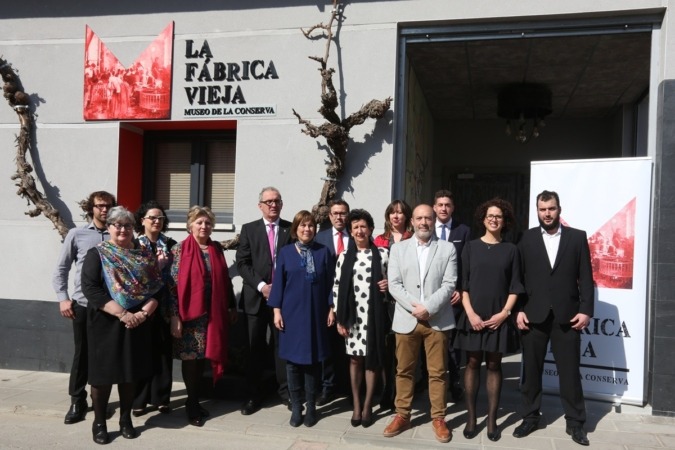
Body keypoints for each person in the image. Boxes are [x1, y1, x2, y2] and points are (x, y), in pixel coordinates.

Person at [513, 190, 594, 446]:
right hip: (534, 315)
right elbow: (518, 278)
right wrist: (519, 309)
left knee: (570, 373)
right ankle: (529, 417)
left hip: (568, 317)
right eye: (542, 209)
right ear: (537, 211)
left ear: (559, 209)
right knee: (531, 373)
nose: (547, 213)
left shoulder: (577, 237)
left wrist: (586, 310)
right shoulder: (524, 239)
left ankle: (576, 423)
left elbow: (586, 278)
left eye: (551, 209)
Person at [80, 207, 164, 444]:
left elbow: (158, 287)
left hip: (137, 323)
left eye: (127, 225)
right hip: (106, 322)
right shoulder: (98, 253)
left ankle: (125, 420)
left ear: (132, 228)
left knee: (129, 374)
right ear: (109, 228)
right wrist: (122, 314)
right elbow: (91, 288)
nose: (122, 229)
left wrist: (143, 314)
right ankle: (99, 423)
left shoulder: (143, 255)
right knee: (103, 376)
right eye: (117, 225)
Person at [383, 204, 458, 443]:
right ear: (412, 221)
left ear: (434, 220)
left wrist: (429, 308)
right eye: (419, 218)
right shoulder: (398, 248)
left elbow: (449, 284)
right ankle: (402, 414)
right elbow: (394, 284)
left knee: (437, 372)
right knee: (403, 370)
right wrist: (417, 308)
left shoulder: (447, 249)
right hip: (407, 318)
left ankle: (439, 417)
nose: (423, 222)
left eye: (428, 218)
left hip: (437, 320)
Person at [453, 198, 523, 442]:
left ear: (505, 221)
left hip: (498, 317)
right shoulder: (470, 247)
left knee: (494, 365)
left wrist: (504, 314)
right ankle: (472, 418)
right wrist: (470, 313)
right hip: (472, 315)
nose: (494, 219)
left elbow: (516, 287)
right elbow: (463, 285)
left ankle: (492, 419)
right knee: (472, 363)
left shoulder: (512, 250)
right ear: (483, 219)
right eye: (490, 215)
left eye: (499, 216)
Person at [168, 206, 237, 427]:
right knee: (192, 361)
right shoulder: (179, 250)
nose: (204, 226)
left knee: (205, 358)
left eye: (207, 223)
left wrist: (231, 306)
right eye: (199, 222)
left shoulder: (216, 249)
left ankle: (195, 400)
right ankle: (192, 402)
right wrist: (174, 315)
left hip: (213, 313)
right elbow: (172, 286)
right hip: (190, 316)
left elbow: (225, 281)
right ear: (190, 225)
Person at [52, 190, 116, 425]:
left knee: (105, 357)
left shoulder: (118, 234)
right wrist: (63, 297)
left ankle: (100, 401)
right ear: (91, 208)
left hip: (110, 308)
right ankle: (77, 400)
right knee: (82, 355)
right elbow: (61, 269)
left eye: (108, 205)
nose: (104, 210)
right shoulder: (76, 234)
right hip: (83, 305)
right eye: (100, 205)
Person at [268, 210, 336, 428]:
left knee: (313, 363)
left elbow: (331, 284)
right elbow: (278, 284)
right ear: (296, 229)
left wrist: (331, 308)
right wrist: (277, 311)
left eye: (311, 226)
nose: (307, 229)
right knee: (292, 364)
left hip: (316, 314)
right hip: (291, 315)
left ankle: (311, 408)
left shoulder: (324, 252)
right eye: (303, 226)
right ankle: (296, 407)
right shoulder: (286, 253)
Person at [237, 186, 293, 415]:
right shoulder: (249, 229)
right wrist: (262, 286)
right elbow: (242, 263)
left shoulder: (291, 229)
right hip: (255, 299)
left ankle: (286, 393)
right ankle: (254, 395)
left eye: (277, 201)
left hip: (284, 300)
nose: (273, 205)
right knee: (255, 348)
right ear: (260, 205)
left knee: (283, 348)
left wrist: (279, 288)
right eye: (268, 201)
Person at [333, 209, 389, 428]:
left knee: (372, 360)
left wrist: (388, 286)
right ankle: (356, 404)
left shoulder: (383, 254)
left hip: (374, 316)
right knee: (355, 359)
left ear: (371, 229)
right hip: (352, 317)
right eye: (355, 227)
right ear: (351, 231)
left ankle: (367, 406)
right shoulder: (344, 257)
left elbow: (394, 282)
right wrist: (339, 320)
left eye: (363, 226)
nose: (359, 230)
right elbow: (337, 287)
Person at [132, 201, 177, 416]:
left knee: (162, 352)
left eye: (160, 218)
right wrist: (156, 268)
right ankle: (139, 399)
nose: (156, 221)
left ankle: (161, 397)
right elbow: (132, 279)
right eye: (152, 217)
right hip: (139, 307)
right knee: (140, 353)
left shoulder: (170, 244)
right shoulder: (132, 245)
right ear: (142, 221)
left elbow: (176, 278)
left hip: (165, 307)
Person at [373, 199, 413, 411]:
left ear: (406, 216)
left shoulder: (413, 239)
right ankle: (387, 392)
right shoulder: (379, 240)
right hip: (384, 302)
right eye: (392, 213)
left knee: (404, 351)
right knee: (387, 350)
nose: (396, 216)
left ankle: (403, 393)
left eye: (400, 213)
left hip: (406, 301)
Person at [433, 189, 471, 402]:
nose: (444, 208)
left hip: (454, 298)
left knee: (453, 344)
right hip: (431, 297)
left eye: (447, 205)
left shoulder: (463, 231)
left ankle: (455, 382)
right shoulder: (427, 228)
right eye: (440, 204)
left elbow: (466, 265)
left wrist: (460, 290)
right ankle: (431, 381)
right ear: (434, 207)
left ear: (452, 207)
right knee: (433, 341)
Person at [315, 199, 352, 405]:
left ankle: (347, 387)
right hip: (326, 302)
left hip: (352, 303)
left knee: (348, 347)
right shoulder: (320, 238)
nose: (339, 217)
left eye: (343, 213)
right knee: (328, 347)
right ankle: (328, 387)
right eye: (335, 213)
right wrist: (330, 305)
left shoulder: (357, 236)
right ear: (329, 216)